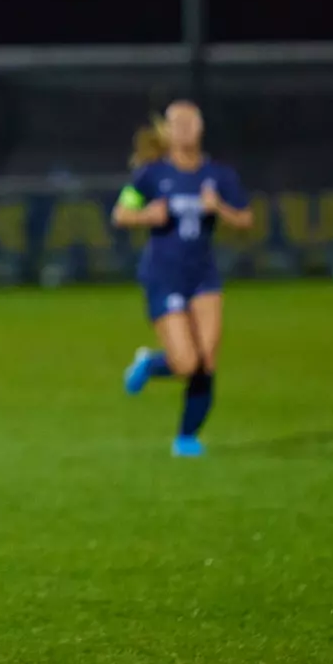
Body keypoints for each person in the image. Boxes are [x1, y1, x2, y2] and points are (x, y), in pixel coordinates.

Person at [111, 101, 253, 457]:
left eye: (192, 121)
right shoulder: (151, 175)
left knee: (207, 359)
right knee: (186, 363)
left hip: (203, 275)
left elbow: (246, 220)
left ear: (201, 128)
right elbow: (121, 213)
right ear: (168, 132)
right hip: (163, 275)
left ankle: (186, 437)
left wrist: (218, 207)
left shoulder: (220, 177)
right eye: (178, 122)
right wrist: (147, 215)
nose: (186, 127)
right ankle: (150, 363)